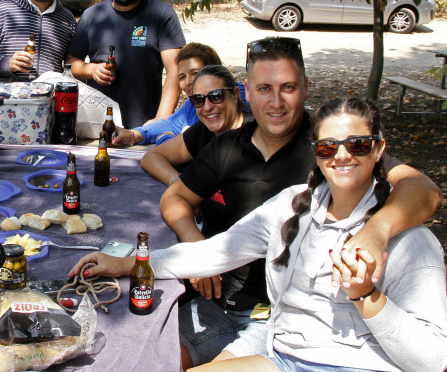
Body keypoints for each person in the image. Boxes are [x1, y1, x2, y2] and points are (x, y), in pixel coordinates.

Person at [70, 98, 447, 372]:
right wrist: (127, 263)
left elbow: (433, 360)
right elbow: (218, 251)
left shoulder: (410, 241)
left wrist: (367, 296)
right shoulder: (291, 206)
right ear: (316, 152)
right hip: (282, 354)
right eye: (329, 146)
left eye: (358, 145)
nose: (342, 156)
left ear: (379, 149)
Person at [158, 37, 442, 367]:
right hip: (225, 305)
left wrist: (375, 232)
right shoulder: (235, 152)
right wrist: (194, 243)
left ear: (306, 88)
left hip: (280, 324)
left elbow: (422, 189)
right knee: (156, 358)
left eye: (288, 87)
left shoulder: (331, 145)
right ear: (248, 90)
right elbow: (179, 201)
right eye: (265, 88)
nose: (276, 102)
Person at [66, 0, 186, 128]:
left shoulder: (161, 14)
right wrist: (91, 70)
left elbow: (175, 70)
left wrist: (161, 121)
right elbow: (70, 63)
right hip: (98, 125)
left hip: (144, 126)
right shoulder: (92, 15)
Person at [141, 65, 252, 234]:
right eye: (198, 100)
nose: (207, 107)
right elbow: (152, 157)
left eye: (216, 96)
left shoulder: (257, 135)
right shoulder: (205, 130)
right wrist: (183, 187)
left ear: (235, 95)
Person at [114, 43, 246, 146]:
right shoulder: (194, 102)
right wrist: (132, 135)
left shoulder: (239, 99)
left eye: (195, 73)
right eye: (182, 77)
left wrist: (165, 139)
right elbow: (170, 124)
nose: (188, 82)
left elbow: (200, 150)